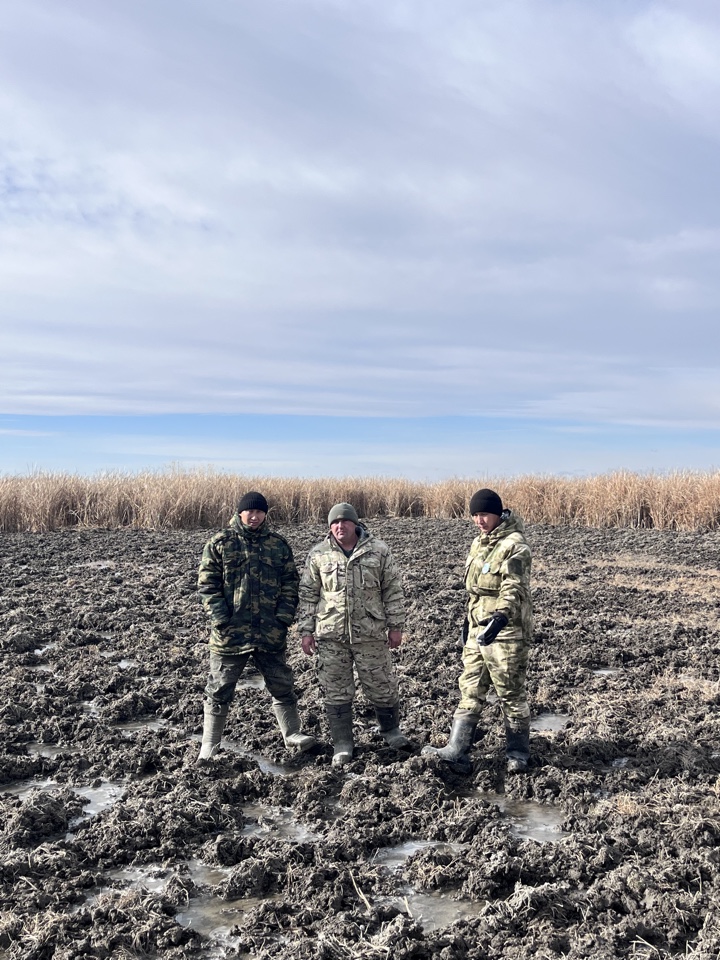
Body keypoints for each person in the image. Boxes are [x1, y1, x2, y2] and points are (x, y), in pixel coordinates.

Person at [196, 491, 316, 761]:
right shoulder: (220, 543)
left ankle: (292, 735)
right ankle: (209, 747)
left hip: (269, 632)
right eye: (250, 511)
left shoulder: (277, 545)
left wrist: (283, 618)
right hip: (231, 634)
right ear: (240, 513)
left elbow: (290, 583)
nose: (255, 516)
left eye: (260, 512)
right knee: (219, 688)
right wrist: (221, 619)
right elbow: (207, 585)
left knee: (282, 684)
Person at [423, 488, 533, 774]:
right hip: (477, 629)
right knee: (470, 687)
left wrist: (501, 617)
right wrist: (468, 621)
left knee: (510, 691)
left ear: (498, 513)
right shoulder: (478, 543)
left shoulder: (515, 545)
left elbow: (514, 586)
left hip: (507, 633)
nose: (479, 520)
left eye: (484, 514)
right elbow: (474, 590)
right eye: (475, 515)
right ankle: (457, 749)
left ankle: (518, 753)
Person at [297, 502, 412, 767]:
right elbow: (308, 595)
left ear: (355, 523)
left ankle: (391, 731)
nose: (340, 526)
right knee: (336, 691)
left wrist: (396, 626)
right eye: (335, 522)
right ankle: (343, 743)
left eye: (345, 521)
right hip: (331, 635)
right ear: (330, 526)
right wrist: (306, 630)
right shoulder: (319, 554)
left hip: (370, 633)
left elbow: (392, 590)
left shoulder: (378, 550)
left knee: (382, 685)